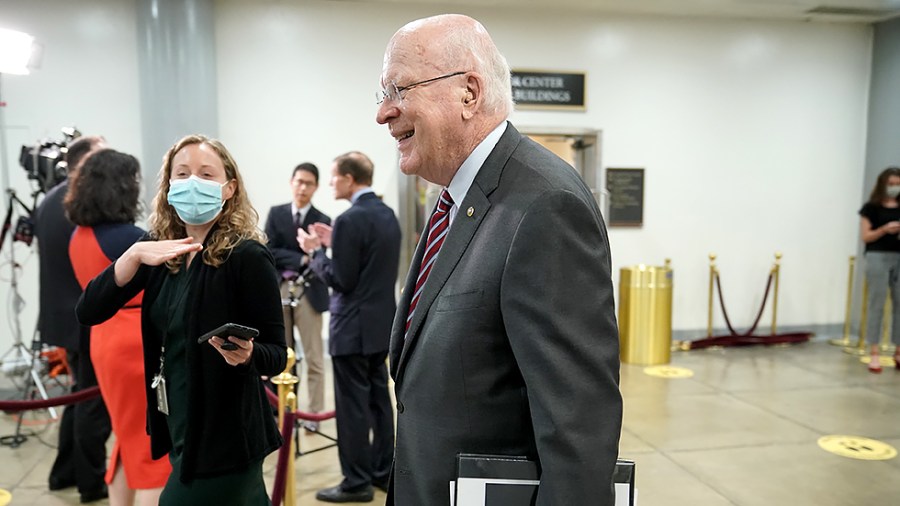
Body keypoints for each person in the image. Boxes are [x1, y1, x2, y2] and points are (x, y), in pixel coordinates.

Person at [375, 14, 623, 505]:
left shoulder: (545, 205)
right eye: (382, 95)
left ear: (469, 93)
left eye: (399, 89)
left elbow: (579, 429)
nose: (384, 113)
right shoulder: (455, 198)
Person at [75, 134, 287, 505]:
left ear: (228, 188)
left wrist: (249, 355)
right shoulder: (162, 253)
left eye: (206, 174)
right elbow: (89, 310)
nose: (193, 183)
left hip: (226, 437)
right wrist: (133, 255)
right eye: (182, 173)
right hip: (178, 425)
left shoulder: (246, 256)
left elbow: (276, 353)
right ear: (169, 185)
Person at [64, 148, 171, 506]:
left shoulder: (80, 233)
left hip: (105, 339)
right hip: (133, 344)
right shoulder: (129, 239)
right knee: (151, 451)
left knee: (128, 442)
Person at [297, 152, 400, 503]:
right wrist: (332, 243)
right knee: (379, 403)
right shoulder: (387, 215)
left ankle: (355, 482)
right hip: (380, 326)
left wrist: (315, 253)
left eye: (333, 177)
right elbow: (367, 263)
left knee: (352, 409)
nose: (330, 183)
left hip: (350, 330)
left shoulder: (349, 219)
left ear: (349, 179)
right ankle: (384, 473)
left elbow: (340, 279)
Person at [33, 135, 112, 503]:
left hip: (61, 316)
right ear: (84, 161)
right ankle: (91, 482)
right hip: (85, 316)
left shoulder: (49, 199)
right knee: (93, 404)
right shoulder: (79, 202)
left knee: (79, 395)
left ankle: (62, 473)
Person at [264, 162, 331, 429]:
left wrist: (307, 256)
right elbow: (269, 251)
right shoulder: (276, 213)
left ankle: (313, 415)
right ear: (291, 182)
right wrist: (302, 256)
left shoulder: (322, 219)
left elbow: (322, 257)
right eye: (299, 181)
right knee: (283, 353)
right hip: (280, 289)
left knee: (314, 356)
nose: (302, 187)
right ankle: (282, 411)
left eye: (309, 183)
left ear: (315, 187)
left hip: (310, 291)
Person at [859, 166, 900, 373]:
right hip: (877, 256)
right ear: (883, 184)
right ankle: (874, 351)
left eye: (898, 184)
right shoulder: (871, 208)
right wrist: (884, 229)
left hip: (898, 256)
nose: (894, 188)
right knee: (877, 302)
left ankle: (898, 351)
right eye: (891, 184)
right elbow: (866, 236)